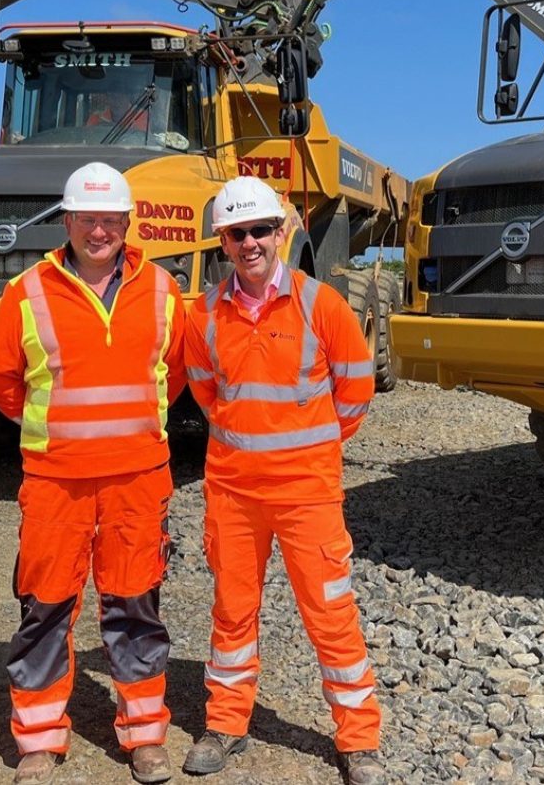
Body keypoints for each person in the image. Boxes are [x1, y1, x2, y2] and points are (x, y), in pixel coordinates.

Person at [0, 160, 186, 785]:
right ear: (66, 221)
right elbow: (0, 379)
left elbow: (173, 375)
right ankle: (38, 741)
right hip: (55, 481)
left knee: (135, 604)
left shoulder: (162, 290)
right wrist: (59, 430)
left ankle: (145, 736)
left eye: (109, 220)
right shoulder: (27, 292)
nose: (98, 231)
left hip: (136, 479)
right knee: (45, 604)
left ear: (127, 223)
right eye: (87, 219)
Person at [180, 176, 384, 785]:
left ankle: (359, 741)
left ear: (282, 232)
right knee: (232, 613)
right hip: (234, 493)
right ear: (224, 240)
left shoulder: (321, 305)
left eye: (260, 231)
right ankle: (225, 724)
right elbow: (205, 391)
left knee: (330, 614)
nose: (250, 243)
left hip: (306, 495)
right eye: (238, 233)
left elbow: (355, 393)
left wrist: (308, 448)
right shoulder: (204, 313)